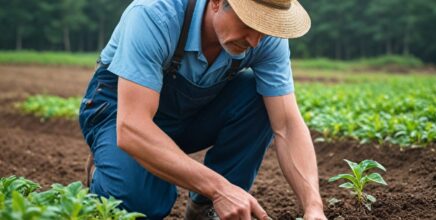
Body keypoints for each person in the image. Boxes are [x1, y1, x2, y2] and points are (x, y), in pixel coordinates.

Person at [79, 0, 326, 219]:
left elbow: (287, 125)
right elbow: (132, 126)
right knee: (139, 204)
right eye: (248, 23)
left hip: (189, 114)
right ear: (217, 2)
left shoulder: (265, 40)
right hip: (121, 112)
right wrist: (220, 188)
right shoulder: (154, 16)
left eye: (264, 28)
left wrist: (314, 208)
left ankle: (207, 209)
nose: (254, 41)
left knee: (260, 96)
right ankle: (108, 162)